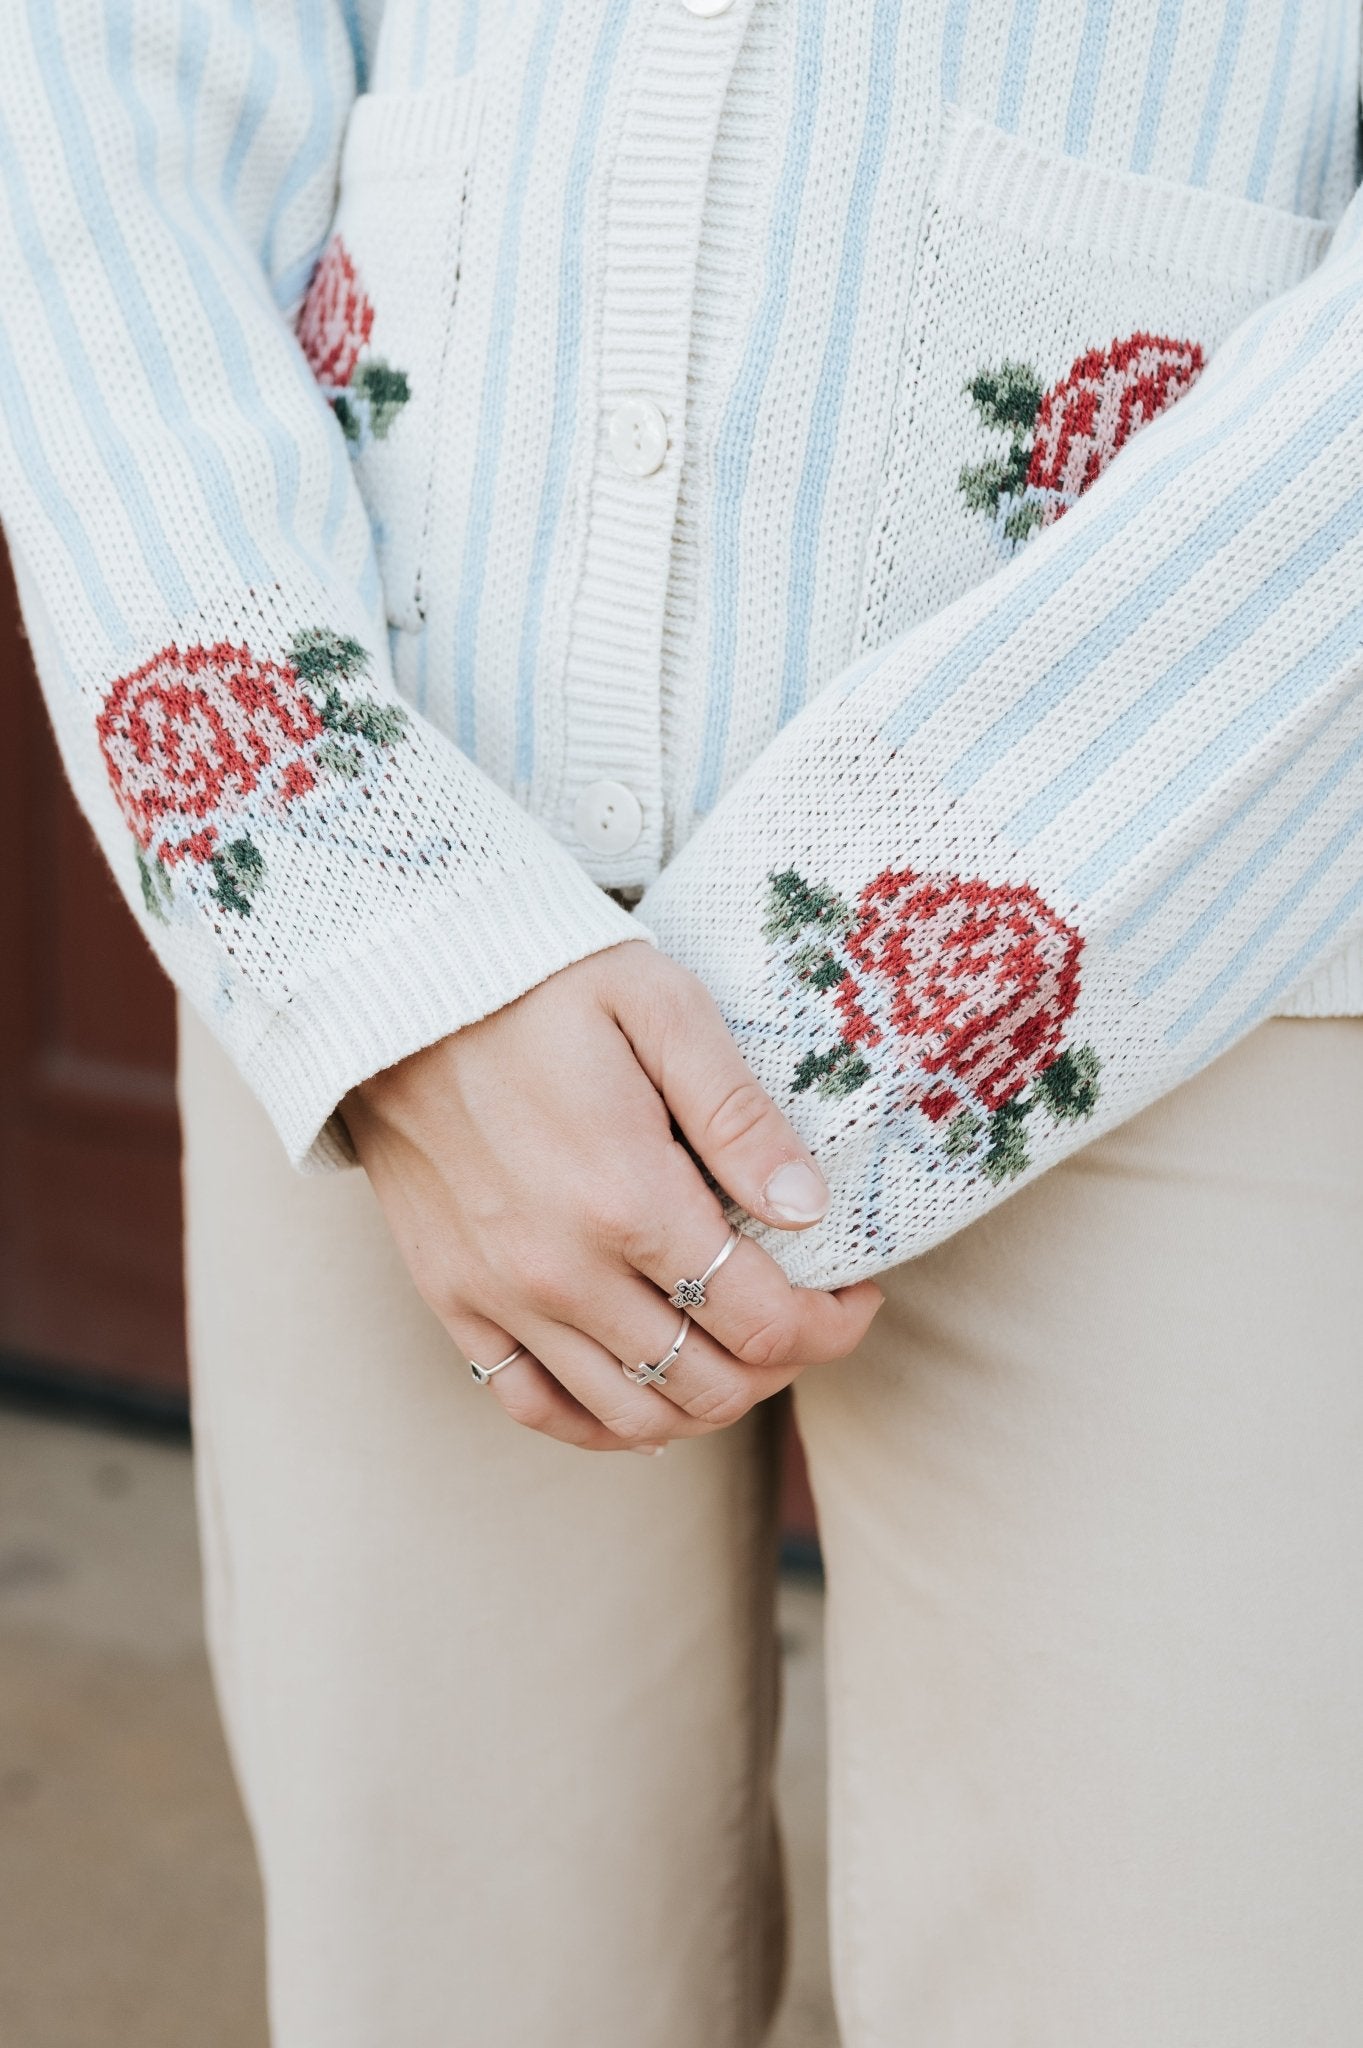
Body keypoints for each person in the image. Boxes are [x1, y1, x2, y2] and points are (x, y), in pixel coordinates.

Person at [3, 3, 1362, 2041]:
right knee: (450, 1987)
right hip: (407, 857)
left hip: (1221, 865)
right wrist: (377, 929)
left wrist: (896, 958)